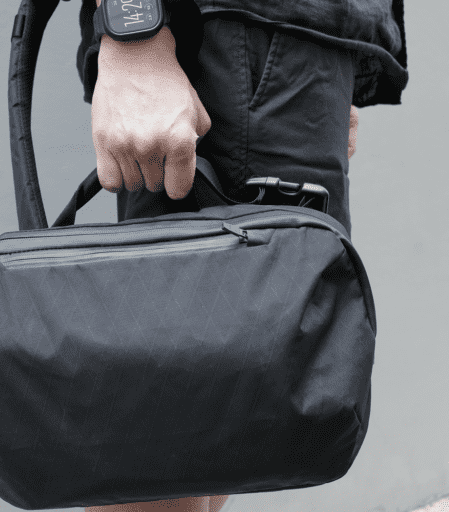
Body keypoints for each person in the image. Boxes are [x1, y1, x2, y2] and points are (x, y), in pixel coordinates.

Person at [77, 0, 408, 510]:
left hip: (295, 48)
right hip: (232, 40)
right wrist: (133, 29)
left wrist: (340, 59)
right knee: (165, 441)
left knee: (227, 428)